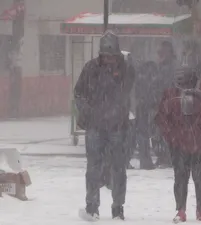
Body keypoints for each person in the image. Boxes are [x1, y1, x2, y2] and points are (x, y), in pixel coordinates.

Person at [74, 30, 135, 221]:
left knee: (118, 167)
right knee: (93, 167)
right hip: (95, 125)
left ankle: (118, 207)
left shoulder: (125, 69)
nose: (109, 60)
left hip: (117, 125)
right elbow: (78, 92)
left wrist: (119, 111)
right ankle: (92, 206)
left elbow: (128, 92)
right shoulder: (90, 68)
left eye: (112, 56)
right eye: (106, 56)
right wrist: (87, 110)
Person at [155, 66, 201, 223]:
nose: (185, 88)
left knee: (200, 177)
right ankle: (181, 210)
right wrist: (170, 137)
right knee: (180, 177)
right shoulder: (171, 93)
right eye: (182, 84)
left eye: (188, 84)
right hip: (179, 143)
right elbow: (161, 117)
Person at [152, 41, 179, 168]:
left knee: (168, 131)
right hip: (161, 104)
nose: (160, 54)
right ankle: (163, 156)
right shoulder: (160, 67)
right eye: (159, 52)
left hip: (170, 104)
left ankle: (168, 156)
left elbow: (174, 85)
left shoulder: (173, 67)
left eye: (163, 52)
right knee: (159, 132)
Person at [134, 61, 160, 170]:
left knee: (143, 135)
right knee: (144, 134)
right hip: (145, 108)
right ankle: (145, 161)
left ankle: (145, 160)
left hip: (143, 108)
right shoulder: (146, 80)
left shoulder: (141, 79)